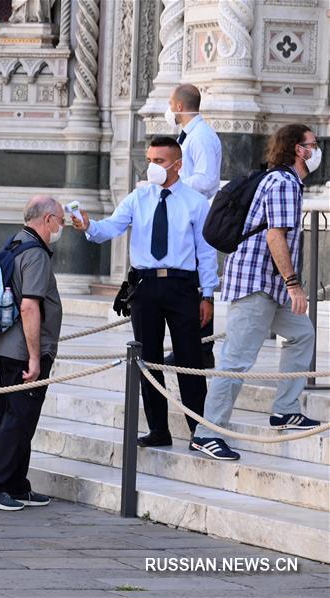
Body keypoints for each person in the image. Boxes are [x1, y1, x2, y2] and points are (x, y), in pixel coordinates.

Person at [72, 137, 218, 448]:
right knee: (147, 359)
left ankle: (199, 431)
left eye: (160, 161)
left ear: (177, 165)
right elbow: (110, 228)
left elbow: (206, 252)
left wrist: (208, 294)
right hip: (145, 285)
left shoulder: (195, 202)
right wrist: (88, 226)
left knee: (190, 360)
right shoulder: (137, 198)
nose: (152, 166)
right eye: (150, 159)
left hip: (182, 286)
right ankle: (158, 429)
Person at [192, 124, 323, 461]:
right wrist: (295, 285)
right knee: (236, 360)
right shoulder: (281, 182)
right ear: (298, 149)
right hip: (256, 284)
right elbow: (274, 236)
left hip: (271, 284)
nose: (317, 148)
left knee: (301, 334)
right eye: (313, 143)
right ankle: (207, 433)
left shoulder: (287, 182)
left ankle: (285, 409)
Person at [0, 196, 63, 511]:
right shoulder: (36, 253)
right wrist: (36, 358)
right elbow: (29, 306)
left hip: (6, 346)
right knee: (19, 420)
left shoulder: (14, 244)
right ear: (48, 219)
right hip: (25, 351)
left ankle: (15, 484)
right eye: (60, 221)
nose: (60, 227)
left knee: (16, 417)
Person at [165, 83, 222, 368]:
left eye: (169, 103)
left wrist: (174, 183)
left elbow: (208, 179)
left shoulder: (201, 137)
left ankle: (201, 348)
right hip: (185, 214)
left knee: (198, 282)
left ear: (178, 106)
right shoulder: (190, 135)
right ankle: (191, 346)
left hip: (198, 215)